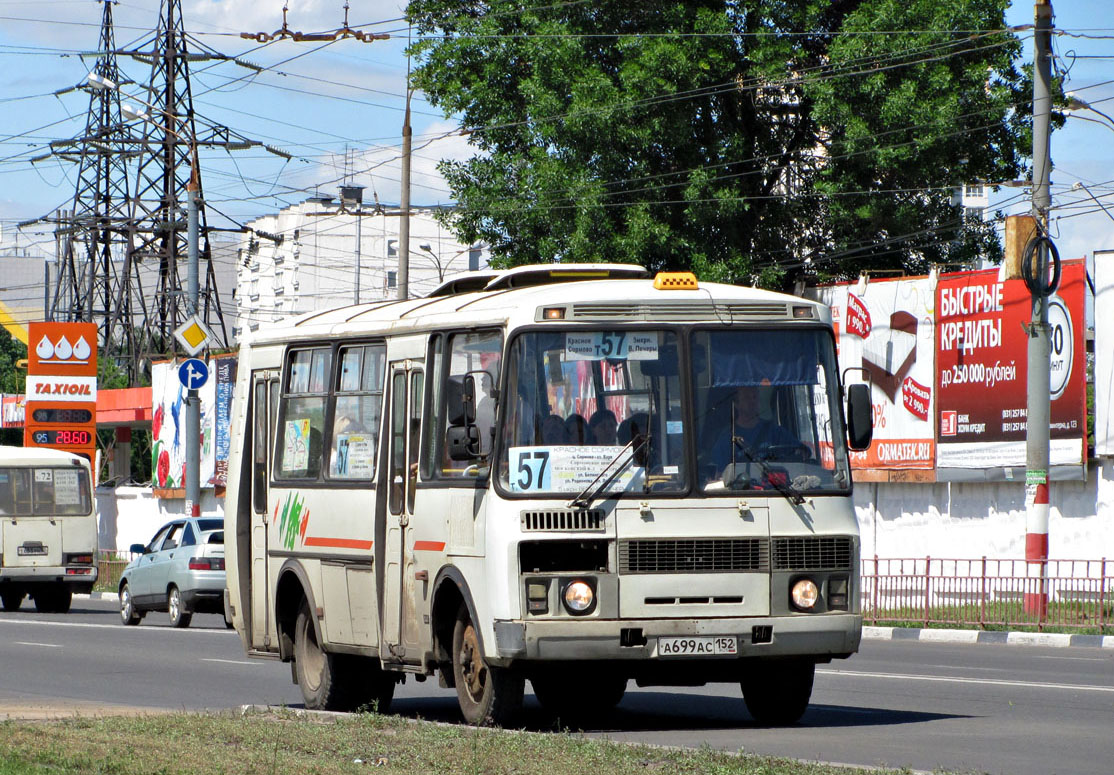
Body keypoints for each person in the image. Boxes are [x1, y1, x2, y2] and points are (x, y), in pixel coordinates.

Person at [709, 385, 800, 476]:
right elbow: (719, 476)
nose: (752, 401)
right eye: (747, 397)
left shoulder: (775, 431)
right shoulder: (727, 438)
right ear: (736, 404)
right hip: (743, 489)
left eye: (755, 397)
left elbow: (801, 452)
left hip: (776, 488)